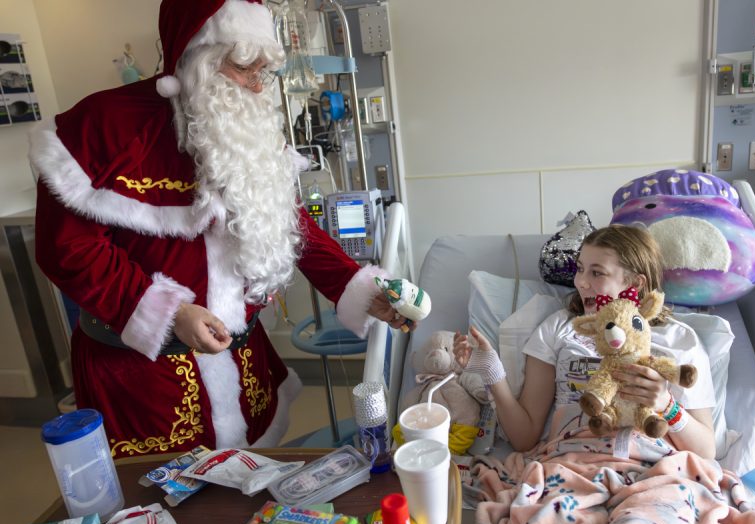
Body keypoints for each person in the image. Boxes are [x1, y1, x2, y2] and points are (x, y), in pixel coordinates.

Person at [29, 0, 407, 457]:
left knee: (252, 490)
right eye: (246, 66)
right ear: (197, 57)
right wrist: (169, 313)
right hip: (145, 380)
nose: (256, 85)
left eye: (264, 70)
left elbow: (291, 222)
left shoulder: (249, 125)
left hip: (244, 361)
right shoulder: (103, 126)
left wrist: (358, 286)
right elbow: (67, 250)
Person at [455, 224, 717, 459]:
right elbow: (524, 439)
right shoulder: (558, 328)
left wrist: (667, 405)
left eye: (597, 273)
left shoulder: (680, 340)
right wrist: (492, 371)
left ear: (635, 284)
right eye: (580, 269)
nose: (581, 282)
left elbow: (706, 451)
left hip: (650, 471)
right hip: (571, 465)